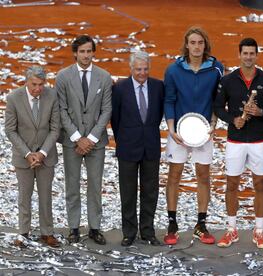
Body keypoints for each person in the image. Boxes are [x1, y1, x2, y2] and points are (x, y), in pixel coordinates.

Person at [214, 38, 263, 249]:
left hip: (259, 141)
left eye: (252, 53)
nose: (248, 57)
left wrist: (260, 112)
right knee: (232, 184)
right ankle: (231, 229)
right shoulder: (228, 80)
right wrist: (234, 120)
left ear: (256, 55)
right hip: (235, 140)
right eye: (245, 53)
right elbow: (218, 108)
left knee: (260, 183)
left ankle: (259, 231)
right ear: (239, 55)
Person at [163, 26, 224, 245]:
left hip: (204, 132)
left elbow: (218, 100)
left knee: (203, 175)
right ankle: (172, 223)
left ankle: (201, 223)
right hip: (178, 131)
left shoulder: (217, 68)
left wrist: (213, 124)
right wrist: (171, 129)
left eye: (200, 43)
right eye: (193, 43)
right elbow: (169, 99)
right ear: (186, 45)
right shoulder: (173, 70)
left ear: (205, 45)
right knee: (174, 175)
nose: (197, 47)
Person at [56, 34, 112, 245]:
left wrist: (91, 138)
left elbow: (107, 110)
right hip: (72, 142)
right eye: (82, 52)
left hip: (96, 142)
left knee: (95, 186)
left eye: (89, 51)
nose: (86, 55)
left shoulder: (104, 76)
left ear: (93, 52)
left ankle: (95, 228)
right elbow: (61, 110)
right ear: (75, 53)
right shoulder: (62, 76)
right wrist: (78, 138)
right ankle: (73, 228)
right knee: (72, 185)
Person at [111, 51, 164, 247]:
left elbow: (157, 115)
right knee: (128, 191)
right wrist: (123, 139)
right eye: (138, 69)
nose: (142, 73)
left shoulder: (159, 86)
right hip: (127, 147)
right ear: (131, 69)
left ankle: (148, 231)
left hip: (150, 146)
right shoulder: (119, 88)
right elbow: (115, 119)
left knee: (150, 191)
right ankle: (129, 232)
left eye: (145, 69)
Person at [5, 66, 60, 248]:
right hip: (23, 157)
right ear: (26, 81)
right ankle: (23, 232)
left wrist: (42, 153)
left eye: (41, 84)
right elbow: (10, 130)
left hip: (46, 155)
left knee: (46, 196)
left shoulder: (52, 96)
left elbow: (55, 128)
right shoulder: (13, 98)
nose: (38, 88)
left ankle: (47, 233)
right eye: (34, 84)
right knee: (24, 196)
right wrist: (28, 153)